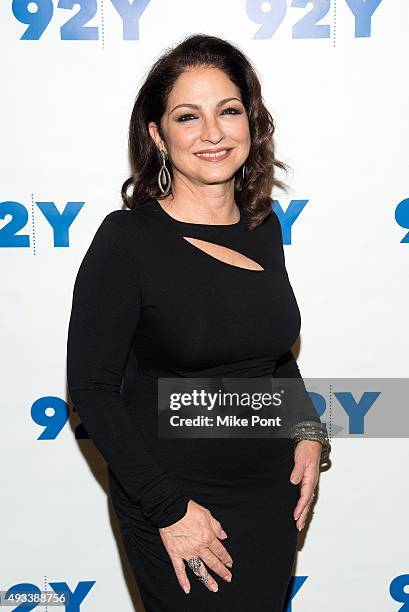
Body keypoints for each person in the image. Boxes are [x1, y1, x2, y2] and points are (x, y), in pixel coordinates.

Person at [66, 34, 330, 612]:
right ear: (158, 135)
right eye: (189, 116)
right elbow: (91, 390)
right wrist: (169, 510)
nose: (213, 133)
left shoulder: (264, 227)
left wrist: (307, 428)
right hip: (179, 506)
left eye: (229, 111)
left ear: (251, 122)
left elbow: (271, 356)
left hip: (269, 495)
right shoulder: (127, 241)